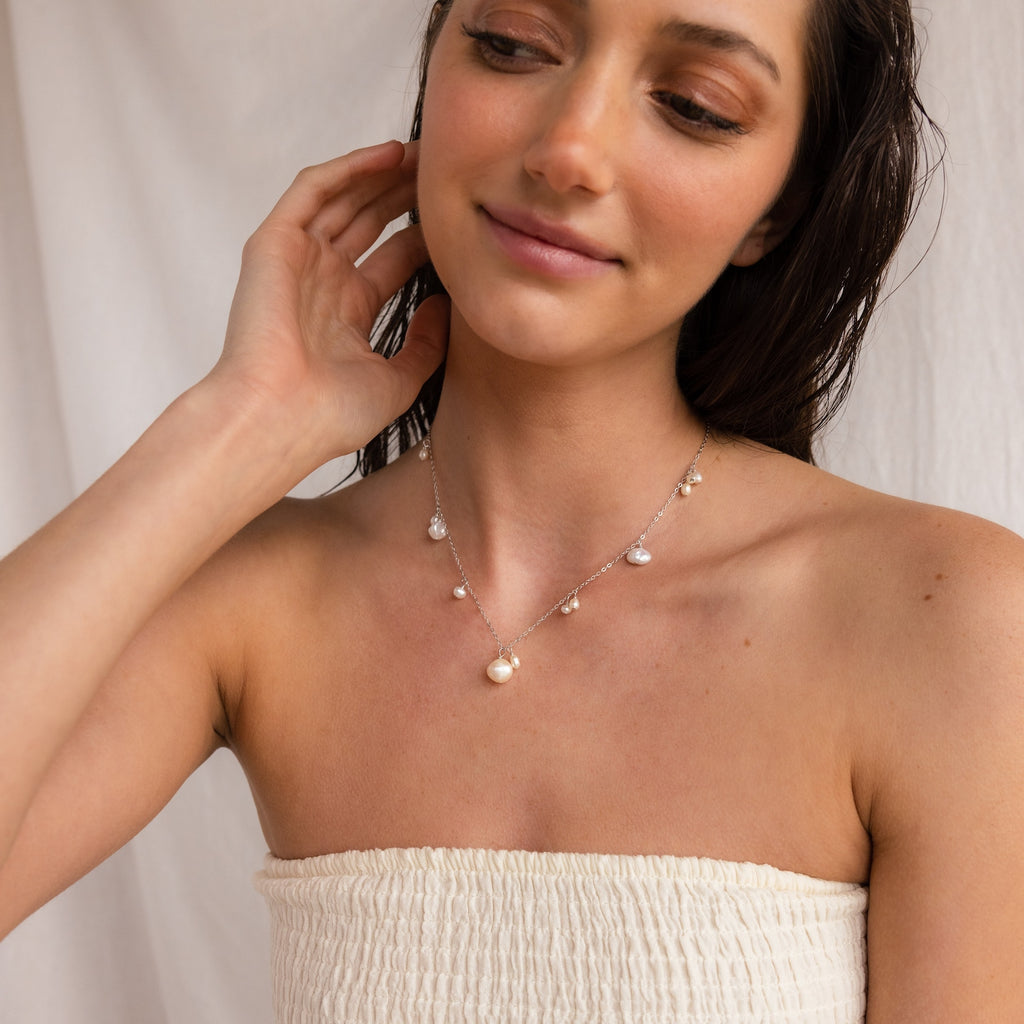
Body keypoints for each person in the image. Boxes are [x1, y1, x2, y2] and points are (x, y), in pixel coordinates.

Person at [1, 0, 1022, 1020]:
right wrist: (233, 424)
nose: (569, 150)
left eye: (695, 106)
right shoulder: (257, 598)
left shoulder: (947, 621)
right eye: (513, 45)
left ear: (777, 210)